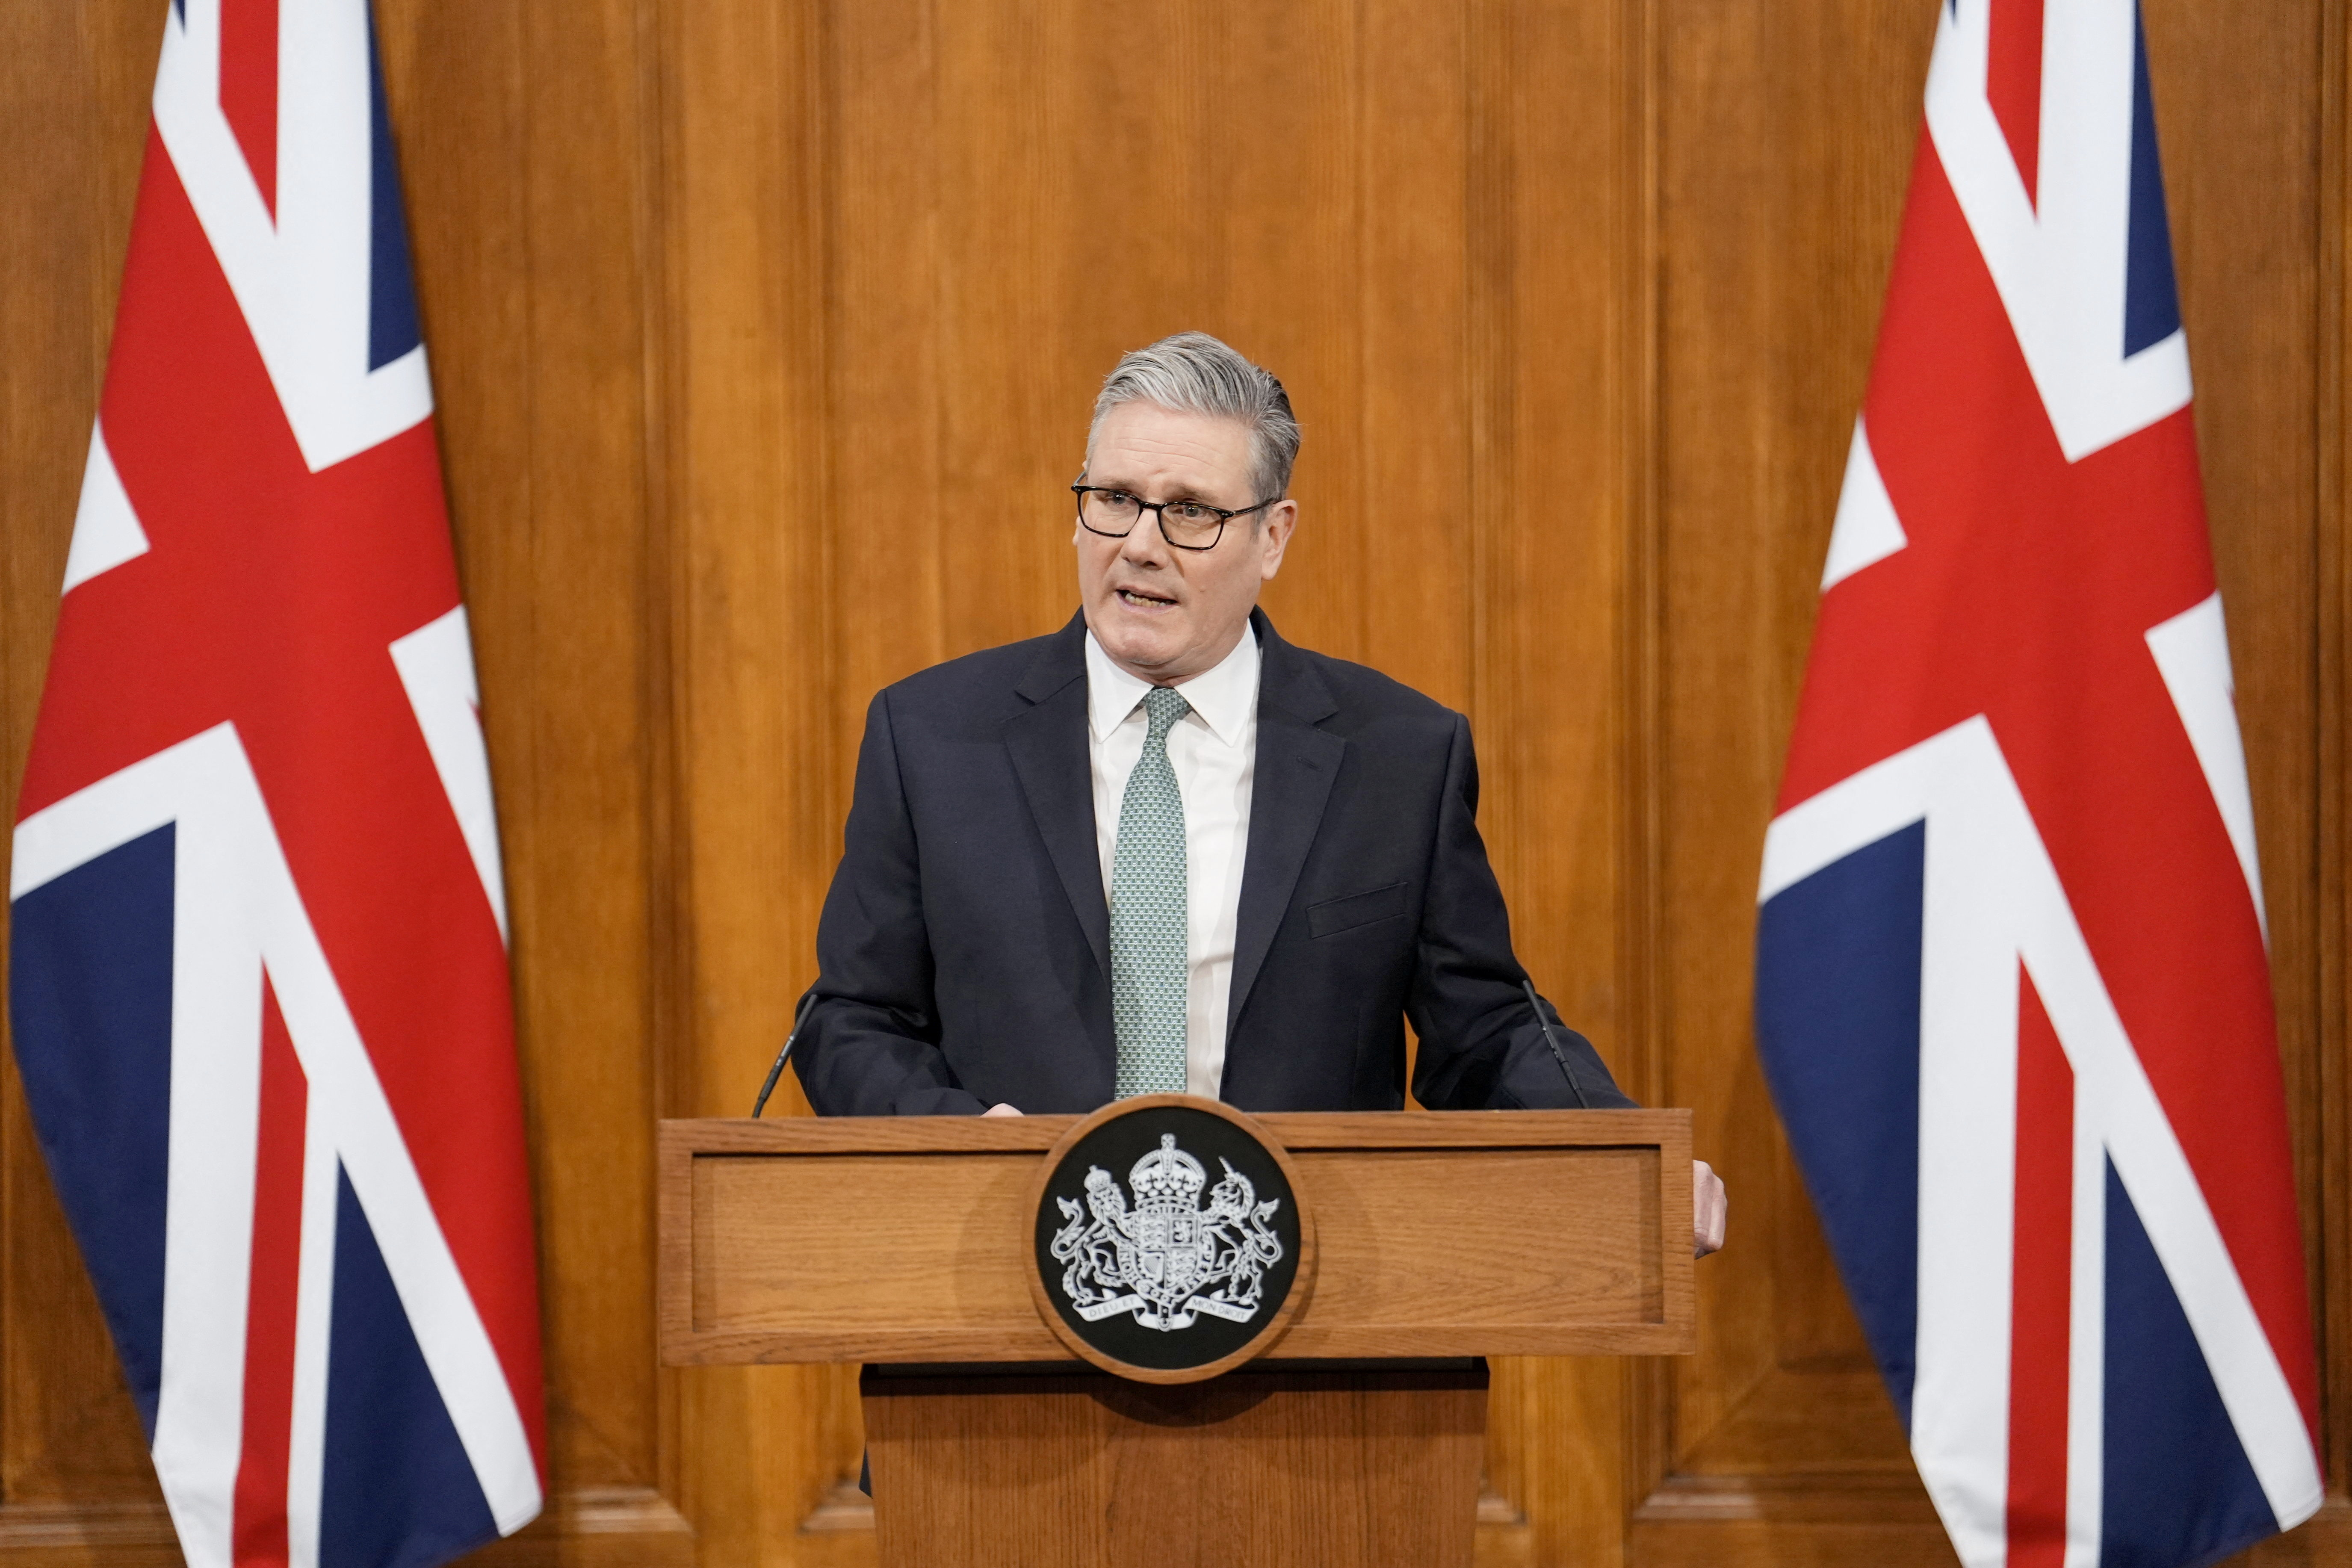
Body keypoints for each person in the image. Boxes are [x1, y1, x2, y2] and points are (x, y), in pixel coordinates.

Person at [793, 331, 1726, 1255]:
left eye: (1190, 512)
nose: (1141, 546)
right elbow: (853, 1019)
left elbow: (1482, 1030)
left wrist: (1624, 1157)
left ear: (1272, 536)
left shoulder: (1395, 755)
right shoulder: (933, 738)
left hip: (1312, 1282)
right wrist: (963, 1142)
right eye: (1114, 500)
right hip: (1012, 1267)